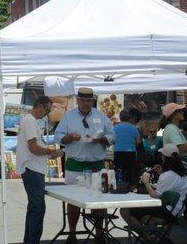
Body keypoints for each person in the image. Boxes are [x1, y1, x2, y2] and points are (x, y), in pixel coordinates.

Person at [54, 87, 114, 244]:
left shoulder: (101, 116)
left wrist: (100, 139)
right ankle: (72, 233)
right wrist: (69, 137)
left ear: (93, 100)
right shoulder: (69, 116)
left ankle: (99, 233)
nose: (86, 103)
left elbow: (112, 136)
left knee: (99, 200)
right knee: (73, 200)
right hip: (75, 164)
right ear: (78, 100)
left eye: (89, 101)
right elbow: (58, 137)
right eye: (83, 100)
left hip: (97, 164)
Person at [17, 96, 64, 244]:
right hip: (32, 169)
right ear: (41, 106)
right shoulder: (30, 120)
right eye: (48, 110)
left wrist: (46, 152)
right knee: (37, 208)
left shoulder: (29, 120)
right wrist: (51, 152)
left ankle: (30, 240)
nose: (47, 113)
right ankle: (32, 241)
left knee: (34, 207)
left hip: (32, 168)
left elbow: (34, 147)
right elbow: (34, 148)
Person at [120, 144, 187, 232]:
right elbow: (174, 183)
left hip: (168, 211)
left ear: (164, 157)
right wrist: (162, 172)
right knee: (140, 212)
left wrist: (146, 182)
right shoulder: (185, 169)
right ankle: (150, 236)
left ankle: (147, 238)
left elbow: (155, 195)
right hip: (177, 209)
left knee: (124, 210)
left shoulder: (167, 175)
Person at [113, 110, 141, 190]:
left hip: (118, 152)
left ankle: (119, 187)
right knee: (131, 171)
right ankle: (132, 188)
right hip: (130, 152)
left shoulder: (115, 127)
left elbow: (112, 140)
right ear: (129, 117)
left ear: (120, 118)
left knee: (119, 170)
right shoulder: (134, 128)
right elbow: (138, 141)